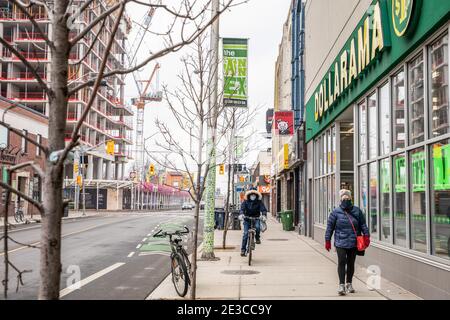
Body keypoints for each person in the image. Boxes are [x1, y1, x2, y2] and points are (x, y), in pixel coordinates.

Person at [325, 189, 370, 296]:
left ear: (351, 198)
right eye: (343, 198)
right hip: (340, 242)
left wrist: (366, 235)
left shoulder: (357, 211)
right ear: (341, 199)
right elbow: (330, 227)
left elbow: (363, 225)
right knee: (341, 262)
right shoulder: (335, 212)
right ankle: (341, 285)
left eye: (347, 198)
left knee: (350, 263)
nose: (345, 199)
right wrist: (327, 240)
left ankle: (349, 283)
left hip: (354, 242)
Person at [239, 188, 267, 257]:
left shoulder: (259, 202)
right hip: (247, 219)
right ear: (249, 195)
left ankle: (257, 238)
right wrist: (241, 214)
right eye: (251, 195)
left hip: (256, 218)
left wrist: (264, 215)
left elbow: (263, 209)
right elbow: (242, 209)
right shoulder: (245, 202)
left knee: (257, 227)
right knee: (245, 234)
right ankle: (243, 250)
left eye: (254, 195)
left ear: (256, 195)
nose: (253, 196)